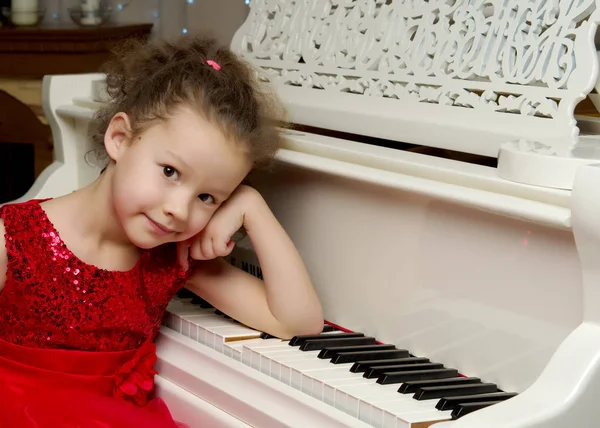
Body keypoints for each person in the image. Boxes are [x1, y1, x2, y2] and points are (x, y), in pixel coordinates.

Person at [0, 35, 323, 427]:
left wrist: (252, 206)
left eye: (207, 197)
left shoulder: (169, 256)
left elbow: (297, 320)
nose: (178, 210)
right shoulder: (12, 240)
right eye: (170, 172)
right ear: (120, 138)